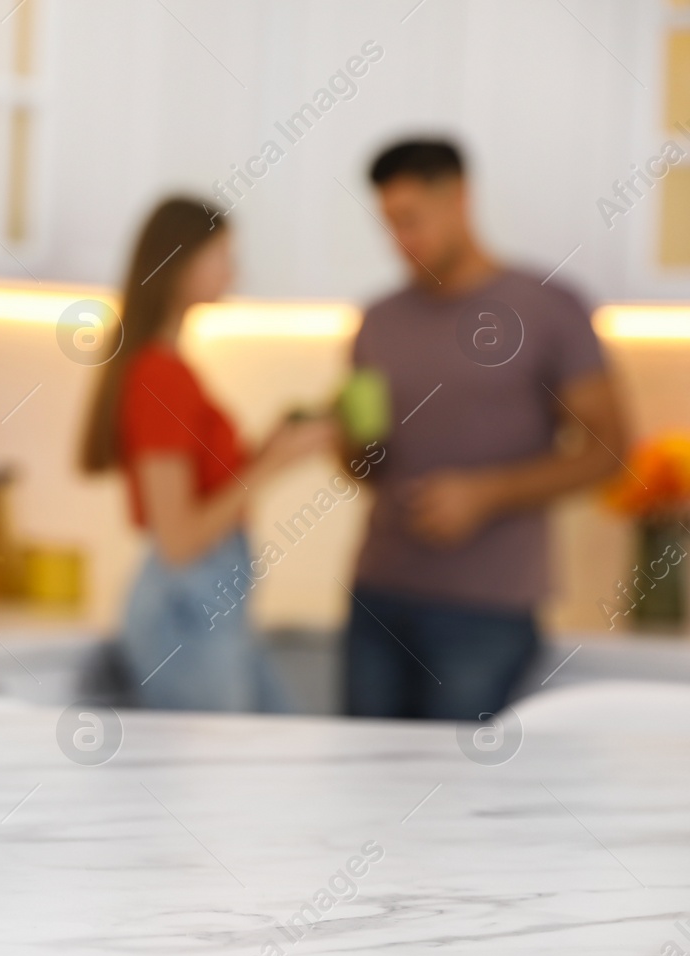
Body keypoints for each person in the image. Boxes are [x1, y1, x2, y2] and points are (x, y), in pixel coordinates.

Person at [344, 139, 627, 720]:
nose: (402, 240)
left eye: (411, 220)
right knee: (364, 791)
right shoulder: (377, 320)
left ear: (460, 200)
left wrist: (485, 494)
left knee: (456, 798)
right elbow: (364, 464)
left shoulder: (551, 308)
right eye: (389, 224)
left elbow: (609, 450)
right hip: (377, 599)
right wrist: (343, 441)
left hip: (486, 612)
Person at [80, 198, 336, 712]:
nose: (233, 269)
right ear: (179, 263)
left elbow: (200, 496)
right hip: (189, 609)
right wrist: (271, 466)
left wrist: (269, 450)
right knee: (220, 776)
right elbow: (179, 538)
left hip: (207, 604)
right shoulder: (161, 376)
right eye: (221, 254)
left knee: (261, 753)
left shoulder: (171, 369)